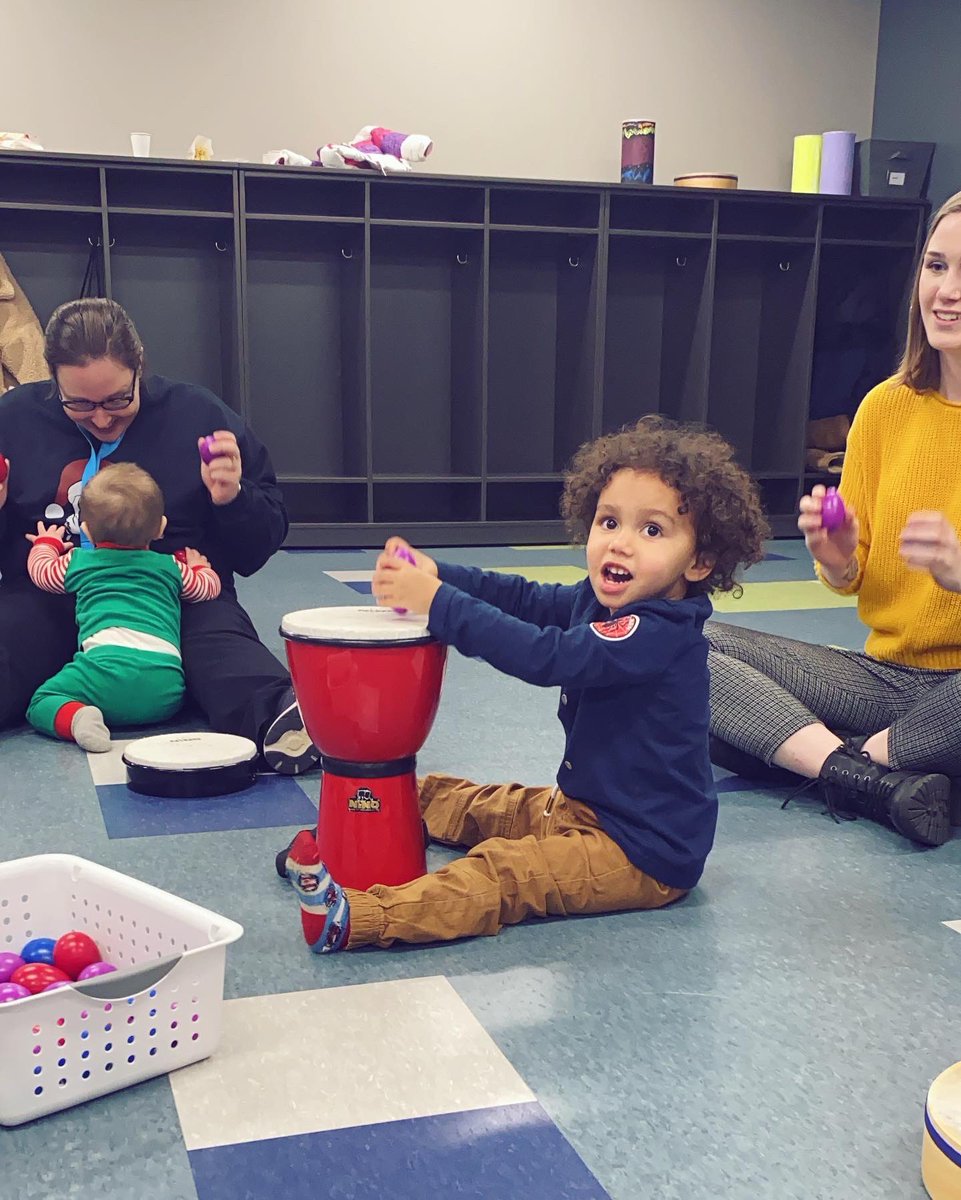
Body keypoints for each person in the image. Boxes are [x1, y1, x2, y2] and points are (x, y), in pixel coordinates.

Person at [281, 415, 769, 952]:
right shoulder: (600, 601)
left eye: (651, 530)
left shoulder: (656, 633)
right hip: (579, 808)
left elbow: (546, 656)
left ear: (700, 562)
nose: (620, 544)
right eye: (609, 522)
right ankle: (343, 840)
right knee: (452, 798)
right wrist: (441, 575)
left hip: (640, 851)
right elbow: (525, 598)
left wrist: (439, 603)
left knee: (506, 874)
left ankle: (358, 918)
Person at [707, 189, 961, 848]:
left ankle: (830, 756)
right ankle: (869, 774)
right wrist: (839, 558)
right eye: (936, 266)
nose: (947, 292)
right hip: (886, 679)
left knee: (720, 728)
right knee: (681, 643)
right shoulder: (883, 409)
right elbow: (854, 580)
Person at [0, 297, 319, 773]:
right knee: (12, 638)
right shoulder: (15, 418)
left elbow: (259, 544)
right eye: (79, 404)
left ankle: (282, 720)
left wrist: (233, 498)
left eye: (117, 400)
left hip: (172, 589)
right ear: (52, 382)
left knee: (222, 649)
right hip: (52, 593)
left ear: (140, 367)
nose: (102, 419)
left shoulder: (198, 415)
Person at [25, 462, 220, 751]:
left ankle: (78, 718)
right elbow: (207, 589)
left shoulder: (79, 562)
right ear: (160, 527)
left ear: (87, 530)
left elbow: (41, 572)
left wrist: (46, 544)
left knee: (41, 701)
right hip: (166, 692)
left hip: (101, 676)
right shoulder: (170, 567)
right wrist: (200, 567)